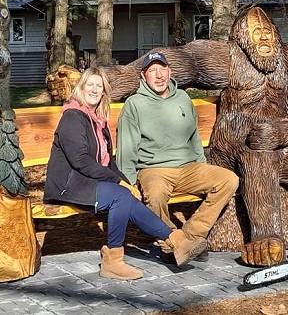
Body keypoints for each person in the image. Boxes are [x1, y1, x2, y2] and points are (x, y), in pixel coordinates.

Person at [43, 67, 208, 281]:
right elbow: (81, 161)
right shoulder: (73, 117)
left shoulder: (97, 121)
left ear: (104, 92)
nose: (94, 90)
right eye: (90, 85)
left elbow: (108, 162)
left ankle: (176, 241)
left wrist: (128, 182)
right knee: (119, 195)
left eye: (99, 86)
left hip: (87, 181)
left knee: (125, 194)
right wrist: (119, 182)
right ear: (81, 88)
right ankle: (113, 260)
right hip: (69, 184)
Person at [116, 52, 239, 263]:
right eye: (152, 71)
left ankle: (189, 237)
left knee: (229, 180)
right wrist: (128, 184)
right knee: (154, 197)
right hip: (154, 169)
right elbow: (127, 148)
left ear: (169, 72)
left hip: (189, 167)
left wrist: (201, 164)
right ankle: (171, 241)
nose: (158, 75)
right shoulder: (135, 104)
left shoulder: (182, 97)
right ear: (144, 76)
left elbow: (194, 137)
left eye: (162, 69)